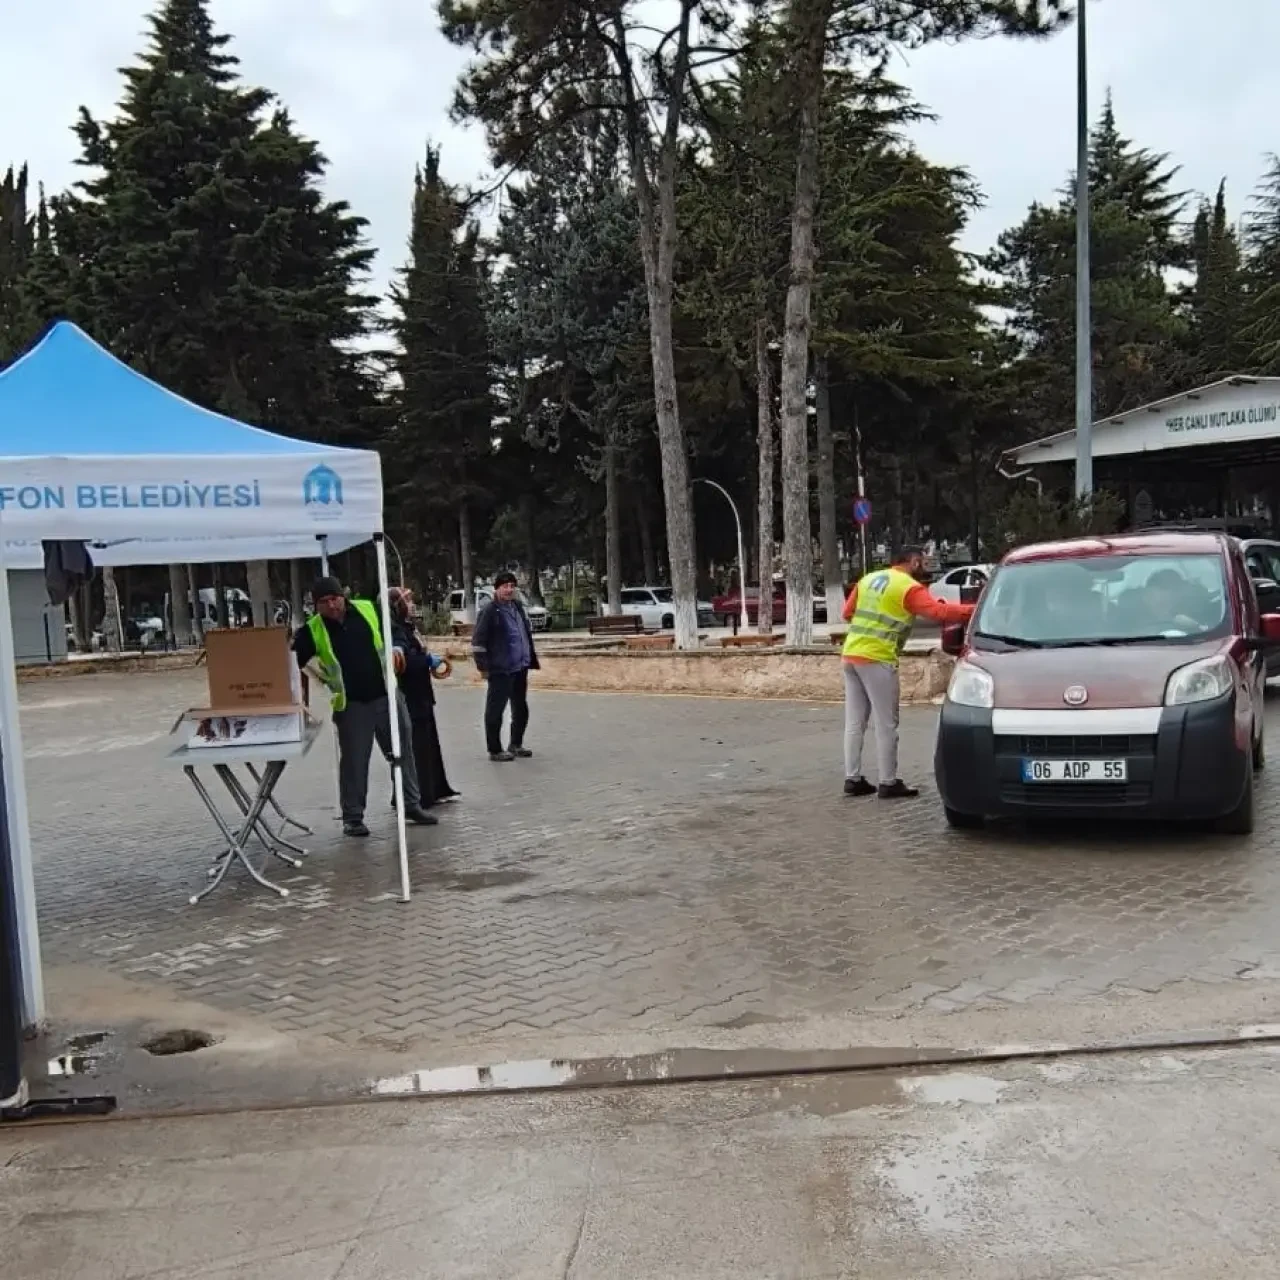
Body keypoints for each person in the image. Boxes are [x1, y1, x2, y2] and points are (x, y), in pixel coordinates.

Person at [293, 576, 436, 837]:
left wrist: (399, 649)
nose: (332, 606)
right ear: (316, 606)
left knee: (403, 751)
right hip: (352, 706)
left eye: (334, 599)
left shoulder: (368, 609)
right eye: (323, 602)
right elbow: (294, 661)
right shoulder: (312, 631)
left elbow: (395, 634)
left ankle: (411, 804)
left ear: (343, 596)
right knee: (355, 763)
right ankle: (353, 817)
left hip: (386, 696)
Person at [841, 547, 976, 799]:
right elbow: (937, 613)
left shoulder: (868, 579)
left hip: (851, 654)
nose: (925, 567)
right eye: (922, 562)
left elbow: (847, 613)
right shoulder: (908, 587)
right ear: (913, 562)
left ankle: (853, 777)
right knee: (887, 723)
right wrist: (973, 610)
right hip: (877, 657)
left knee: (854, 722)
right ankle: (888, 782)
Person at [389, 586, 460, 807]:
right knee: (416, 746)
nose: (411, 606)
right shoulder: (394, 629)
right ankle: (418, 795)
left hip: (422, 692)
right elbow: (403, 663)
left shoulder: (410, 627)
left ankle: (435, 788)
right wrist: (426, 661)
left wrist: (428, 658)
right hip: (409, 694)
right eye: (407, 602)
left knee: (429, 743)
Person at [471, 571, 540, 762]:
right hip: (500, 668)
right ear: (497, 589)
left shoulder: (517, 606)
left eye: (512, 586)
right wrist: (483, 667)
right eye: (505, 586)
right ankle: (495, 749)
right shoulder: (490, 611)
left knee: (521, 708)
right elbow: (478, 641)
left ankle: (515, 744)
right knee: (495, 710)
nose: (509, 590)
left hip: (520, 667)